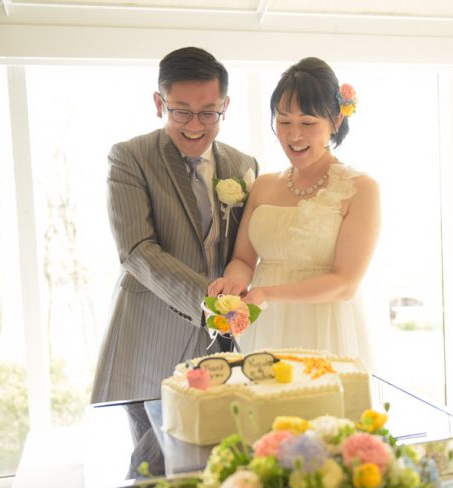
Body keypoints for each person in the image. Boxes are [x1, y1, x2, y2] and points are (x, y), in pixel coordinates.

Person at [91, 47, 259, 403]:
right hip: (150, 334)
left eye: (208, 113)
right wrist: (210, 303)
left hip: (221, 347)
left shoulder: (244, 165)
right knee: (150, 438)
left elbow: (246, 250)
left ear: (225, 107)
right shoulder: (130, 157)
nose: (195, 126)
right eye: (181, 111)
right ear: (159, 103)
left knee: (222, 433)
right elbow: (136, 249)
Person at [208, 57, 380, 368]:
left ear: (336, 121)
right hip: (266, 328)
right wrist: (232, 285)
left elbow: (345, 283)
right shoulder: (263, 185)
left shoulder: (360, 189)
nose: (294, 135)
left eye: (308, 123)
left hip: (325, 328)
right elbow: (243, 260)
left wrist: (267, 293)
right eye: (284, 122)